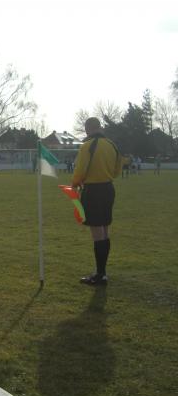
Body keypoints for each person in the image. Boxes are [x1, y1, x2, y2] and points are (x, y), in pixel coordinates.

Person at [72, 117, 123, 286]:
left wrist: (75, 185)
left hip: (93, 190)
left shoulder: (87, 146)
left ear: (87, 129)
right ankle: (103, 272)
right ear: (99, 127)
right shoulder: (112, 145)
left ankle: (100, 274)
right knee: (105, 229)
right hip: (109, 188)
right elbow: (117, 170)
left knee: (97, 231)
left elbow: (80, 170)